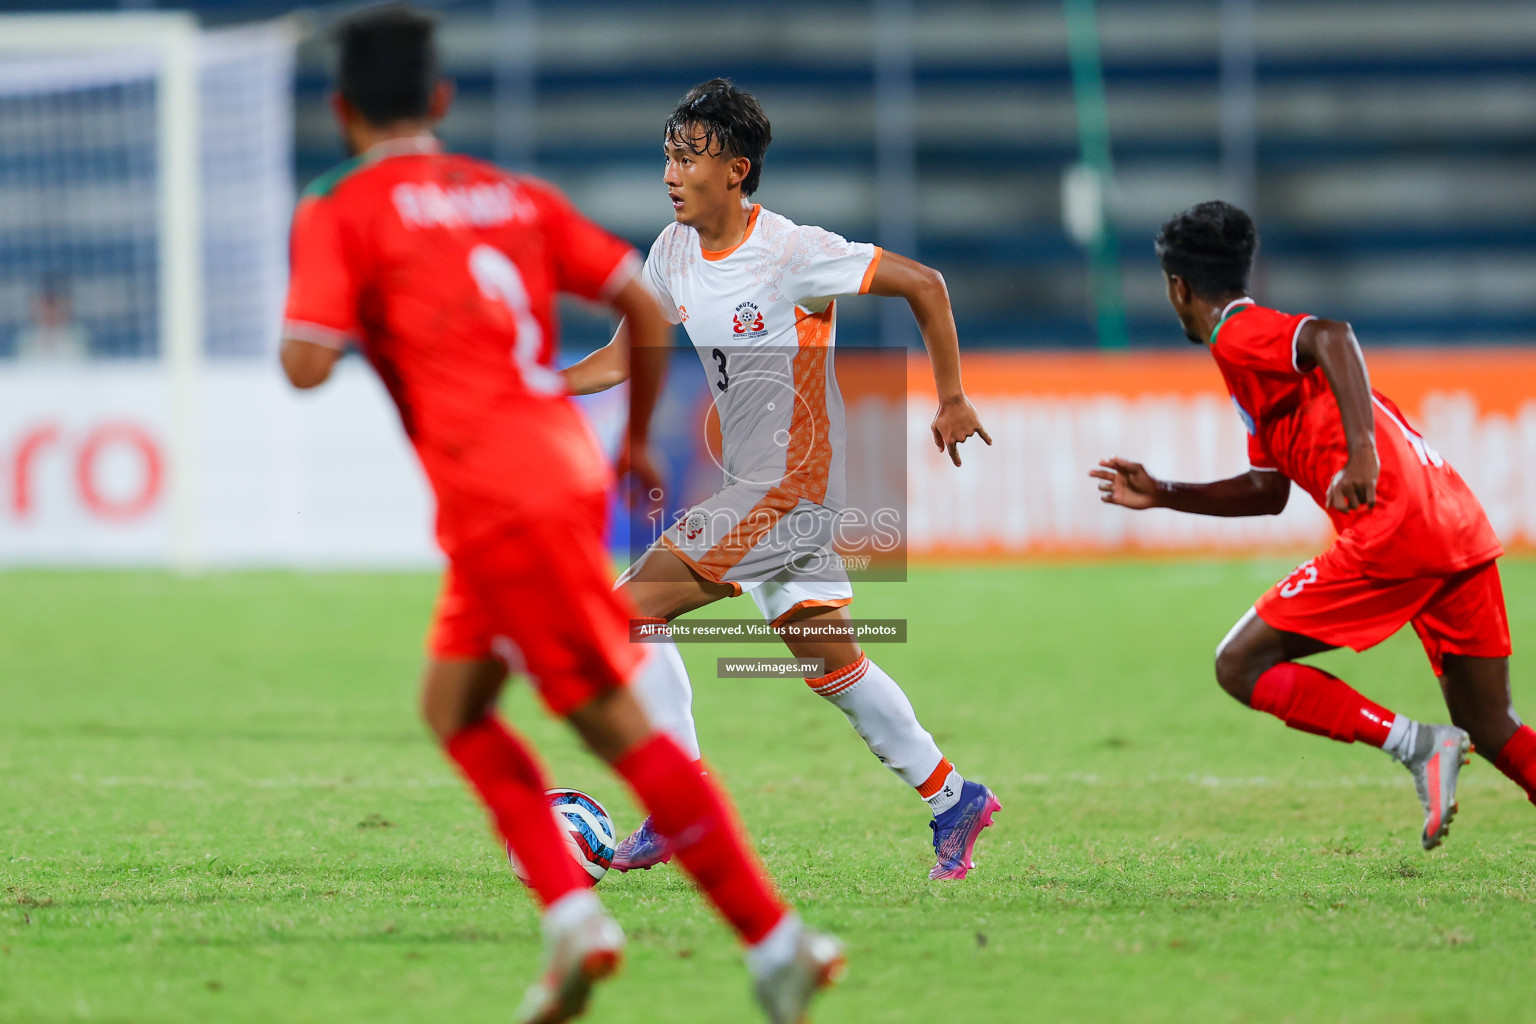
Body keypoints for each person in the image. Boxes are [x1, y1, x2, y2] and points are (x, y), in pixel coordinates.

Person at [279, 11, 841, 1023]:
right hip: (556, 469)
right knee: (453, 705)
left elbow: (305, 363)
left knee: (613, 723)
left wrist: (364, 308)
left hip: (498, 495)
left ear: (339, 110)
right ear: (441, 103)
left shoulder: (339, 205)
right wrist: (629, 443)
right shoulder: (512, 195)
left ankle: (776, 940)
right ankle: (577, 922)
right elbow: (640, 303)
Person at [562, 79, 999, 881]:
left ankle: (678, 806)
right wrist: (542, 386)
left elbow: (925, 284)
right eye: (666, 156)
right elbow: (627, 353)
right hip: (758, 487)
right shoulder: (672, 252)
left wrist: (953, 396)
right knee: (828, 659)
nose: (670, 174)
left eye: (688, 158)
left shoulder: (792, 253)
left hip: (786, 491)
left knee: (625, 611)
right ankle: (954, 797)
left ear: (737, 168)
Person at [1091, 200, 1535, 849]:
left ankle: (1416, 745)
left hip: (1395, 526)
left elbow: (1332, 335)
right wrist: (1164, 494)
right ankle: (1430, 744)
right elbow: (1269, 491)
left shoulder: (1239, 333)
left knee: (1238, 665)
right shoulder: (1250, 367)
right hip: (1453, 520)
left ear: (1178, 288)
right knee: (1492, 724)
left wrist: (1362, 454)